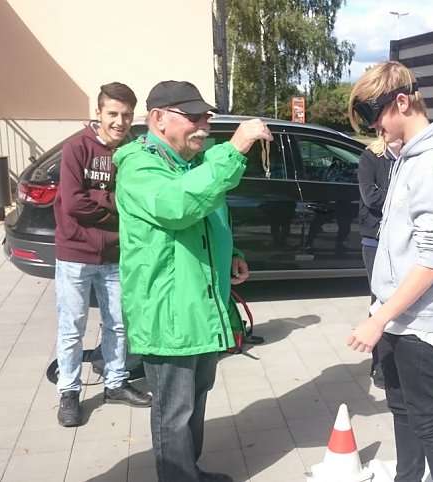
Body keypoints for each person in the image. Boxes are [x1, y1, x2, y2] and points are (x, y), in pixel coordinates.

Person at [114, 80, 272, 482]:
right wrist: (235, 148)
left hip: (200, 309)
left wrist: (230, 254)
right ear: (158, 119)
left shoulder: (193, 164)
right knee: (174, 411)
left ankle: (189, 473)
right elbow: (179, 206)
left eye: (207, 116)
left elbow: (208, 218)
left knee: (195, 400)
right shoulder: (139, 165)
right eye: (193, 116)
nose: (203, 124)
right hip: (168, 314)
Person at [345, 60, 433, 482]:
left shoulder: (432, 164)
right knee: (401, 408)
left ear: (402, 101)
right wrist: (383, 313)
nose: (374, 126)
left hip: (418, 319)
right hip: (396, 313)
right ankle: (407, 477)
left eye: (375, 116)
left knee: (429, 420)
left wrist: (377, 319)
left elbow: (432, 262)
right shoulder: (406, 158)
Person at [53, 82, 152, 428]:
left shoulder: (133, 151)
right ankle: (68, 392)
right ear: (99, 113)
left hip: (114, 254)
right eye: (113, 114)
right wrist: (119, 208)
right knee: (71, 328)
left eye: (126, 115)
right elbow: (75, 202)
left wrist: (111, 207)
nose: (119, 121)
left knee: (118, 324)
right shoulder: (76, 148)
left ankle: (115, 383)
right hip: (75, 253)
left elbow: (137, 197)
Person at [357, 136, 402, 389]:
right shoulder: (371, 156)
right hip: (375, 240)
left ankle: (397, 359)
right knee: (380, 301)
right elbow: (371, 197)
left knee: (400, 301)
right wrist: (405, 197)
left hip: (404, 239)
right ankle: (380, 363)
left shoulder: (411, 156)